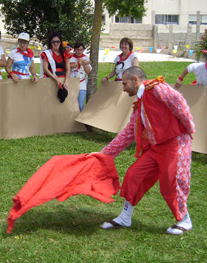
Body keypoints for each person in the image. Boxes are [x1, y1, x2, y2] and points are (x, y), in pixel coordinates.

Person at [94, 66, 195, 235]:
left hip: (174, 144)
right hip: (156, 148)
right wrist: (104, 154)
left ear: (135, 80)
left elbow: (179, 102)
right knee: (135, 175)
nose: (123, 88)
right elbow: (128, 132)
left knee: (172, 183)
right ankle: (125, 217)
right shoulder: (140, 103)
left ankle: (185, 220)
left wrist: (189, 128)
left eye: (125, 84)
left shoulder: (157, 89)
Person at [70, 41, 92, 111]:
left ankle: (79, 119)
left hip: (82, 84)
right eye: (77, 50)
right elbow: (68, 67)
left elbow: (88, 71)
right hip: (72, 83)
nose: (79, 52)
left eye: (81, 50)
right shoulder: (71, 57)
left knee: (80, 105)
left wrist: (84, 63)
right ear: (74, 49)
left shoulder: (85, 58)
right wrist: (79, 63)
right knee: (71, 104)